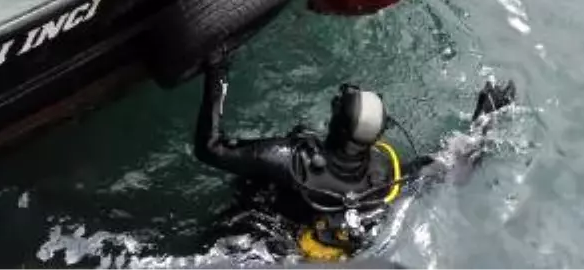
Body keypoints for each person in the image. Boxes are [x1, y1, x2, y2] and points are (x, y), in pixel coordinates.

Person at [194, 54, 515, 260]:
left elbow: (211, 148)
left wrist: (217, 71)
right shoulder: (387, 176)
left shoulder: (292, 161)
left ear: (338, 125)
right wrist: (485, 121)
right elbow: (453, 166)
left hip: (251, 241)